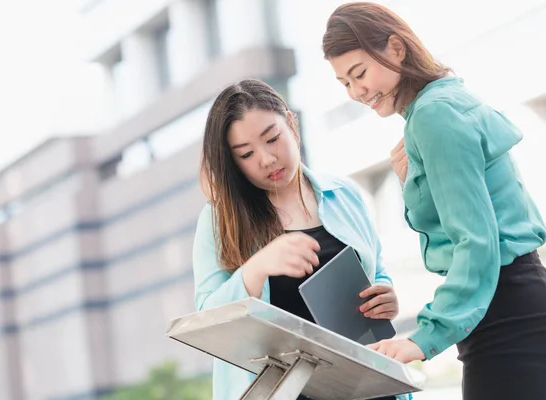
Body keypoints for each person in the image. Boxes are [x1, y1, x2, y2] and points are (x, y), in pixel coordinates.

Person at [322, 2, 546, 399]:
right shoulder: (444, 100)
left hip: (504, 312)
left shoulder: (432, 116)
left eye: (359, 73)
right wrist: (415, 180)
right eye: (344, 83)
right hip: (509, 305)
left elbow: (475, 242)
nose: (357, 92)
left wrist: (423, 338)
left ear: (396, 48)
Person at [192, 78, 408, 400]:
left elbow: (376, 271)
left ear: (291, 124)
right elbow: (209, 319)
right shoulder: (219, 219)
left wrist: (385, 297)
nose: (266, 159)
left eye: (273, 139)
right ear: (233, 162)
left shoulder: (343, 194)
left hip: (367, 386)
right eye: (247, 153)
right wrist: (257, 268)